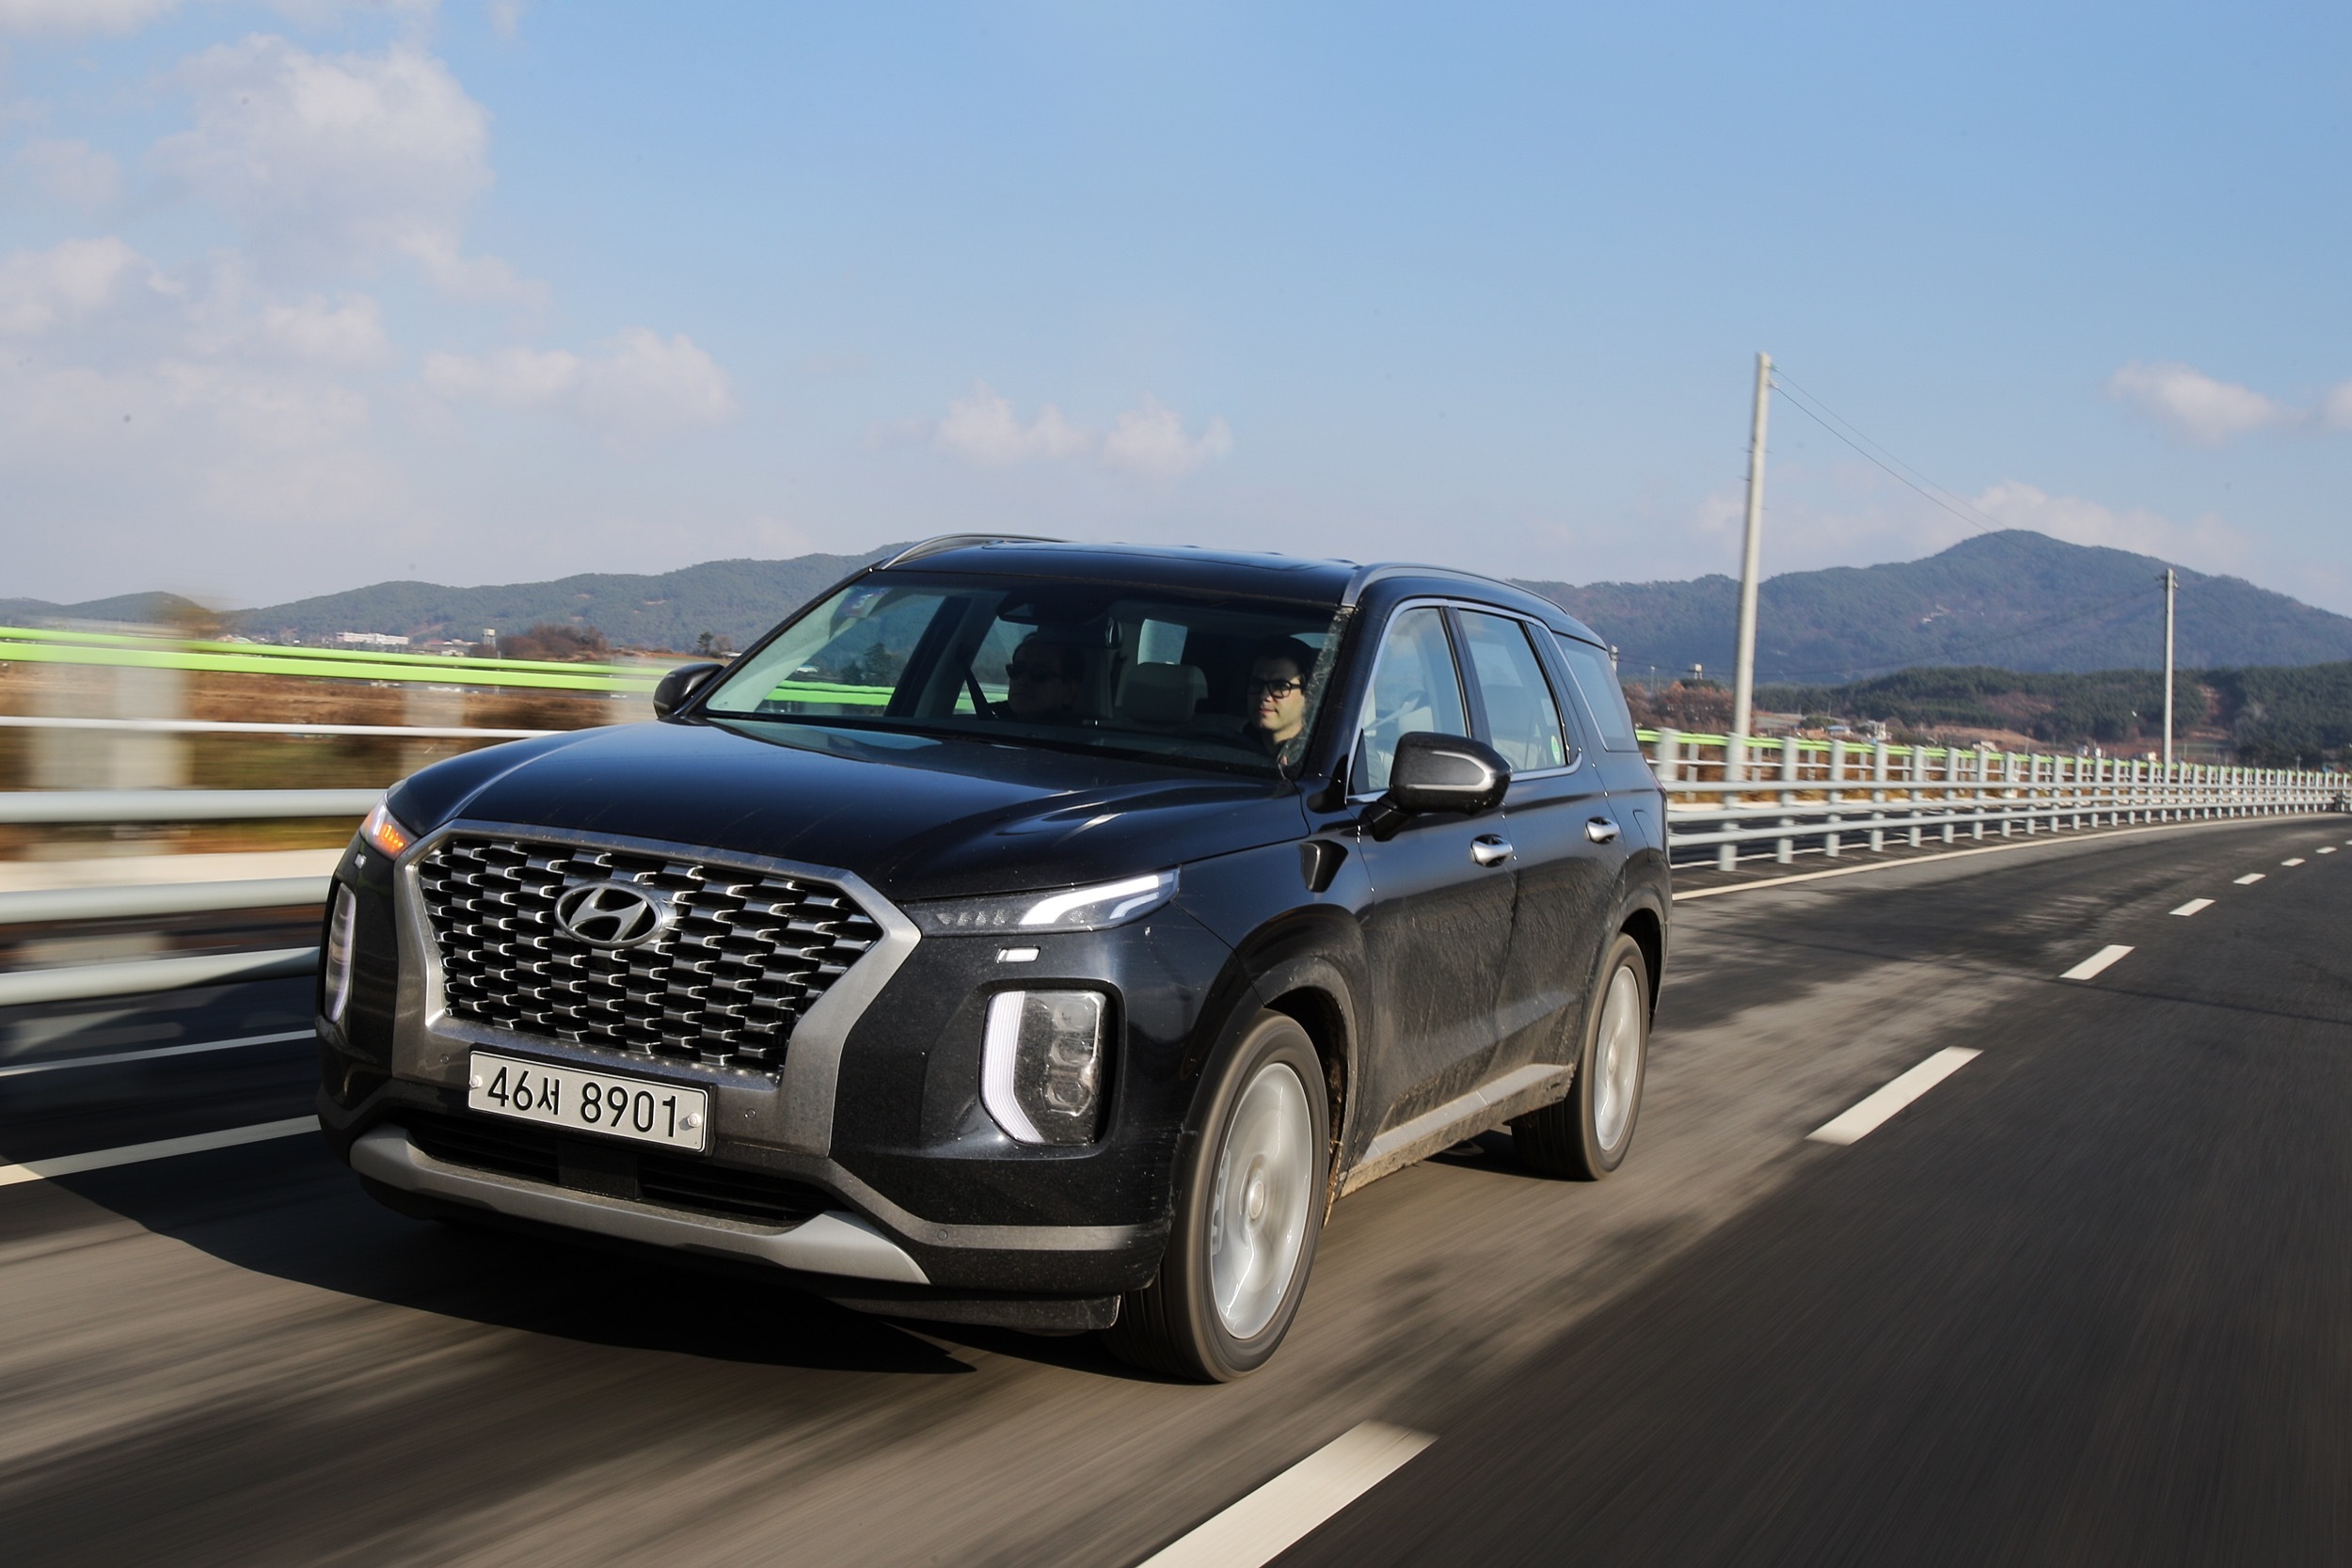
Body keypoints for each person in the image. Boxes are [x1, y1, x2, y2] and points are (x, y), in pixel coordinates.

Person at [1246, 636, 1319, 771]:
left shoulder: (1322, 762)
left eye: (1280, 686)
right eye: (1257, 684)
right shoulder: (1227, 748)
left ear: (1309, 697)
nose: (1264, 696)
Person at [1004, 636, 1084, 721]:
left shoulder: (1077, 730)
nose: (1022, 680)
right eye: (1017, 670)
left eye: (1039, 673)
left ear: (1069, 690)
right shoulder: (994, 722)